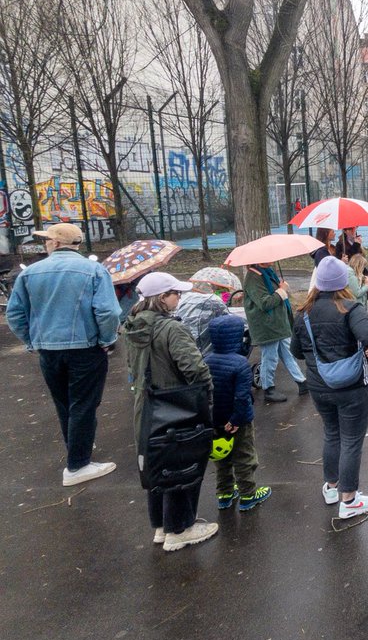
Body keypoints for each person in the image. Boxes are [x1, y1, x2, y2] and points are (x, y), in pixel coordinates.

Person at [6, 222, 121, 486]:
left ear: (56, 243)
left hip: (48, 350)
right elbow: (108, 312)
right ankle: (78, 465)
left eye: (47, 239)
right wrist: (106, 339)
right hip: (86, 348)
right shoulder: (94, 270)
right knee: (84, 403)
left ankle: (77, 449)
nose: (45, 243)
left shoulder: (30, 273)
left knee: (65, 403)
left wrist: (33, 339)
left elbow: (14, 314)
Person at [292, 256, 368, 519]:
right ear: (342, 282)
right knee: (351, 440)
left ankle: (332, 487)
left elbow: (297, 352)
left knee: (331, 434)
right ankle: (349, 500)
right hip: (352, 387)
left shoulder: (303, 312)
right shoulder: (351, 308)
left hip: (318, 386)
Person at [123, 272, 217, 551]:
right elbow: (194, 368)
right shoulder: (171, 329)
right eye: (175, 293)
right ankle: (180, 528)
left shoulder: (132, 327)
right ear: (161, 298)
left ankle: (162, 526)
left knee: (157, 463)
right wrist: (207, 395)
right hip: (176, 404)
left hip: (146, 404)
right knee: (182, 461)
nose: (180, 297)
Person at [205, 315, 271, 512]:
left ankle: (224, 494)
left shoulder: (205, 359)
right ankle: (248, 495)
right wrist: (236, 419)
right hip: (237, 421)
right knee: (244, 456)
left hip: (214, 420)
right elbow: (242, 397)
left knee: (220, 456)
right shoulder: (240, 363)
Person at [243, 261, 307, 403]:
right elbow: (265, 303)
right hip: (267, 326)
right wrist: (281, 291)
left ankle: (302, 382)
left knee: (288, 354)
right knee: (270, 358)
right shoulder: (253, 277)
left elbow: (278, 296)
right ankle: (268, 389)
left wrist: (282, 288)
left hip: (278, 324)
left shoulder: (268, 272)